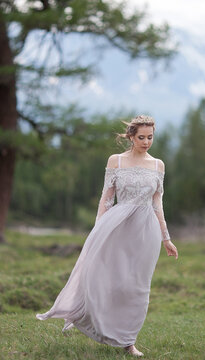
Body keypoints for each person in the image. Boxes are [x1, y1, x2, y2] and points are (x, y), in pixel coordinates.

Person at [36, 115, 178, 357]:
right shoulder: (116, 162)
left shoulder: (158, 165)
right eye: (141, 137)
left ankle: (128, 341)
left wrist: (166, 238)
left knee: (137, 286)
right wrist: (97, 230)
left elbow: (158, 205)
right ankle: (88, 317)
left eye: (150, 137)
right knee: (110, 279)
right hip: (116, 225)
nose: (146, 142)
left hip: (146, 232)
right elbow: (106, 199)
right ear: (131, 137)